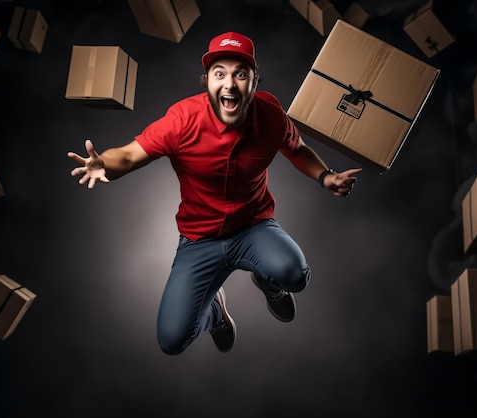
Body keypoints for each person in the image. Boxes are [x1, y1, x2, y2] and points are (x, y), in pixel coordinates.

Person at [67, 31, 362, 355]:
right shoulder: (181, 121)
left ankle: (268, 282)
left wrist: (325, 177)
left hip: (253, 228)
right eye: (220, 73)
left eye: (240, 74)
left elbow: (297, 148)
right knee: (172, 340)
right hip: (200, 240)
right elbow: (128, 155)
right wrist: (103, 164)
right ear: (206, 80)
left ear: (254, 81)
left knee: (295, 276)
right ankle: (216, 313)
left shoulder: (271, 115)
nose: (230, 83)